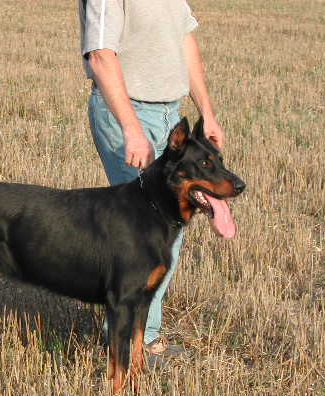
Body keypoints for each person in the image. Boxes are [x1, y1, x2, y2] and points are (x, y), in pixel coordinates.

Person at [78, 0, 224, 366]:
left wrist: (206, 113)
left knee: (169, 227)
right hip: (127, 111)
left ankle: (144, 336)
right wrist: (131, 129)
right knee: (142, 231)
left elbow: (184, 39)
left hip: (170, 115)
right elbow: (100, 55)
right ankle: (127, 345)